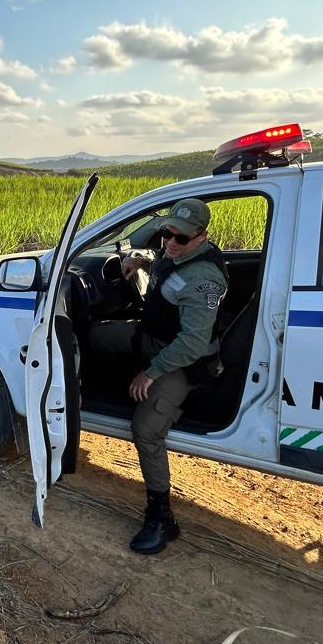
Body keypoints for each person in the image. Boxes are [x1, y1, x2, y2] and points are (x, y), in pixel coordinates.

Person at [87, 198, 228, 555]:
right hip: (150, 338)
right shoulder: (176, 254)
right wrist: (138, 260)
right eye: (166, 233)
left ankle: (161, 517)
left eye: (179, 238)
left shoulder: (204, 280)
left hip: (178, 360)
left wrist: (150, 373)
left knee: (146, 431)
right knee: (92, 335)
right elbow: (164, 262)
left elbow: (193, 344)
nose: (169, 242)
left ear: (202, 236)